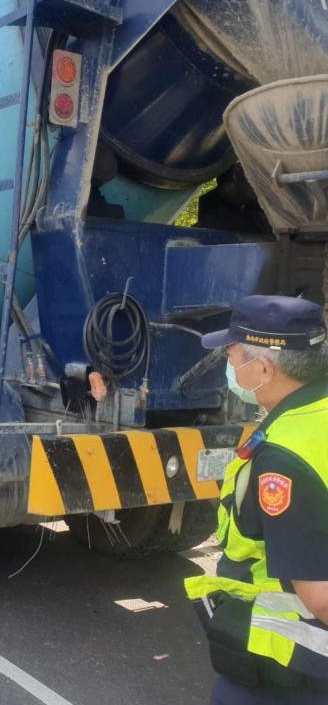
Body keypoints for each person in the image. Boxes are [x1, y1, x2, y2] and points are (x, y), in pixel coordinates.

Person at [186, 295, 328, 704]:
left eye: (231, 355)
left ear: (263, 369)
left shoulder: (284, 459)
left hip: (292, 666)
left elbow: (318, 595)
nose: (229, 366)